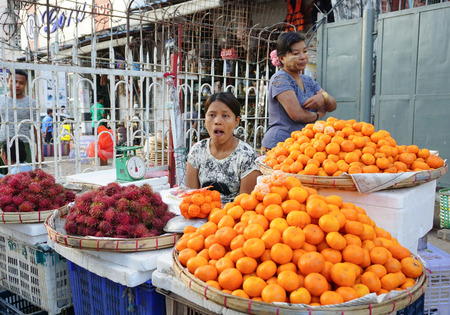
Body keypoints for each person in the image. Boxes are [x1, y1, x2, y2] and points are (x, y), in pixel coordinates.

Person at [261, 32, 337, 151]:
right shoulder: (280, 79)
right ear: (282, 58)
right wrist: (318, 115)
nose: (303, 57)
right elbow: (297, 114)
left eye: (305, 51)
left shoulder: (307, 80)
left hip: (301, 144)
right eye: (296, 53)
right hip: (280, 144)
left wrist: (324, 97)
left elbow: (332, 105)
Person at [186, 92, 260, 204]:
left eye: (225, 116)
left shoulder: (246, 156)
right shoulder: (197, 151)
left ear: (236, 121)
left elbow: (246, 207)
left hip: (232, 218)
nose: (217, 121)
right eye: (212, 115)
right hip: (201, 217)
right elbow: (191, 199)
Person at [0, 69, 43, 175]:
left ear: (26, 84)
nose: (17, 85)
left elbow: (36, 129)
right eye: (14, 81)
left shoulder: (31, 103)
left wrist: (40, 152)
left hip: (23, 144)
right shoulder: (1, 100)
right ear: (7, 81)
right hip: (3, 144)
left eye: (21, 83)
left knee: (23, 179)